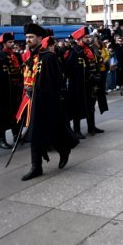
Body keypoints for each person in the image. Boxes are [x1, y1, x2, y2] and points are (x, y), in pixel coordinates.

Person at [18, 23, 78, 180]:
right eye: (26, 37)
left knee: (52, 130)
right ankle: (36, 167)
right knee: (35, 133)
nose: (28, 40)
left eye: (31, 37)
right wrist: (28, 88)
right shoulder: (31, 57)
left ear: (39, 38)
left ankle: (63, 149)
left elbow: (56, 82)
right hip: (33, 101)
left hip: (47, 102)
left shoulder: (48, 57)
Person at [63, 27, 104, 138]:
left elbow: (95, 63)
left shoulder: (89, 49)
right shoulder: (75, 51)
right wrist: (90, 75)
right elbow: (75, 69)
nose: (88, 39)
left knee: (91, 105)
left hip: (91, 83)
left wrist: (97, 74)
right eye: (86, 37)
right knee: (78, 106)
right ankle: (77, 130)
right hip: (79, 84)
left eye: (88, 37)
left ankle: (91, 127)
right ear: (80, 39)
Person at [0, 33, 23, 149]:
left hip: (16, 90)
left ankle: (17, 135)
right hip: (4, 91)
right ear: (4, 44)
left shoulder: (18, 56)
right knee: (2, 115)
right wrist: (1, 88)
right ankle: (1, 139)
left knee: (16, 113)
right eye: (9, 42)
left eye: (12, 42)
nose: (12, 44)